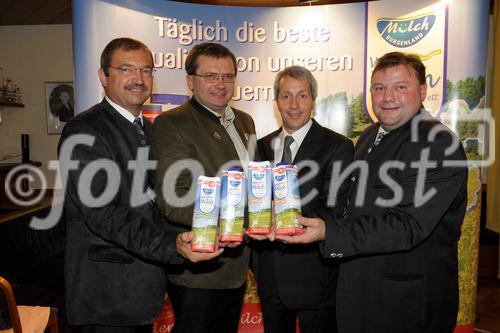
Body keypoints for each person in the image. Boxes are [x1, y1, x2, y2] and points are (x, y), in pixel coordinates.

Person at [277, 52, 468, 333]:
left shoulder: (438, 144)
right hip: (360, 297)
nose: (388, 97)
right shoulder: (370, 136)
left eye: (400, 87)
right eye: (379, 88)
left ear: (423, 90)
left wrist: (327, 232)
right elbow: (349, 203)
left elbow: (407, 225)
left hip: (405, 305)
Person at [58, 37, 221, 333]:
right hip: (106, 298)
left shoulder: (148, 128)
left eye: (146, 70)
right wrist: (171, 245)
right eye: (126, 69)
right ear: (103, 76)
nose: (139, 79)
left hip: (142, 293)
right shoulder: (84, 130)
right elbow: (102, 212)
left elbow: (155, 202)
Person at [153, 42, 256, 333]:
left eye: (227, 76)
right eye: (210, 76)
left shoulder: (245, 122)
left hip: (236, 265)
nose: (220, 84)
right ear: (190, 81)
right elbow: (173, 199)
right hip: (198, 268)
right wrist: (238, 219)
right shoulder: (172, 123)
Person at [249, 66, 353, 333]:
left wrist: (283, 214)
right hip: (270, 277)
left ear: (313, 101)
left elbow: (334, 208)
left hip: (314, 277)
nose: (294, 104)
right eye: (286, 96)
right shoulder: (260, 147)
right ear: (276, 102)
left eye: (302, 96)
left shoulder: (338, 146)